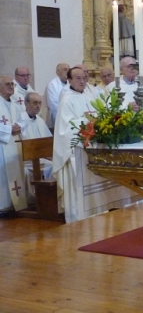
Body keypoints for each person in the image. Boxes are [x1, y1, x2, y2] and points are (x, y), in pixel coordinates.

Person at [52, 67, 97, 223]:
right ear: (69, 80)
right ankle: (77, 217)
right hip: (74, 151)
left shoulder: (91, 95)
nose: (82, 81)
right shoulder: (66, 99)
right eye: (78, 78)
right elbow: (65, 129)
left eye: (84, 77)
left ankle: (96, 211)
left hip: (92, 148)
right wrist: (89, 123)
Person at [17, 92, 53, 204]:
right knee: (51, 166)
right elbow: (22, 145)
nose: (38, 106)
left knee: (56, 164)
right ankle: (43, 199)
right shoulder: (20, 121)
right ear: (26, 104)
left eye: (40, 103)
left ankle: (48, 198)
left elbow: (49, 141)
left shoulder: (40, 120)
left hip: (42, 158)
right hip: (27, 160)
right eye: (35, 103)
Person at [0, 76, 27, 213]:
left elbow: (23, 119)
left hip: (15, 144)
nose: (11, 86)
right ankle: (3, 206)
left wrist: (19, 126)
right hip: (2, 147)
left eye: (12, 84)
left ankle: (16, 204)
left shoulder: (16, 105)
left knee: (17, 174)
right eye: (7, 84)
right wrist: (8, 129)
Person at [106, 56, 143, 121]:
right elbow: (108, 107)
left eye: (134, 66)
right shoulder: (113, 87)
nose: (132, 69)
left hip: (142, 123)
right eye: (129, 67)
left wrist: (142, 105)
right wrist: (127, 108)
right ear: (121, 69)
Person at [44, 62, 70, 128]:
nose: (68, 72)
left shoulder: (70, 84)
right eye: (65, 69)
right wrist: (64, 119)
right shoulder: (52, 85)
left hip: (69, 119)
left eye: (69, 70)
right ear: (58, 72)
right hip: (57, 121)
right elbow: (53, 106)